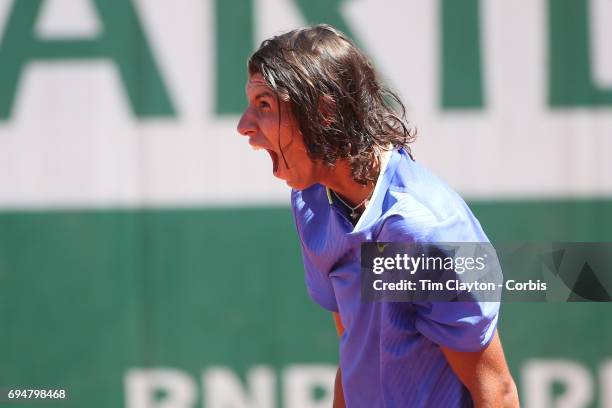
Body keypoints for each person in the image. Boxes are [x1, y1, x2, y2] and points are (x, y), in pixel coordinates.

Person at [237, 24, 519, 408]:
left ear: (323, 111)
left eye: (265, 105)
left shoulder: (426, 229)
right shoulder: (313, 203)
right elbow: (354, 352)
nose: (244, 126)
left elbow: (494, 390)